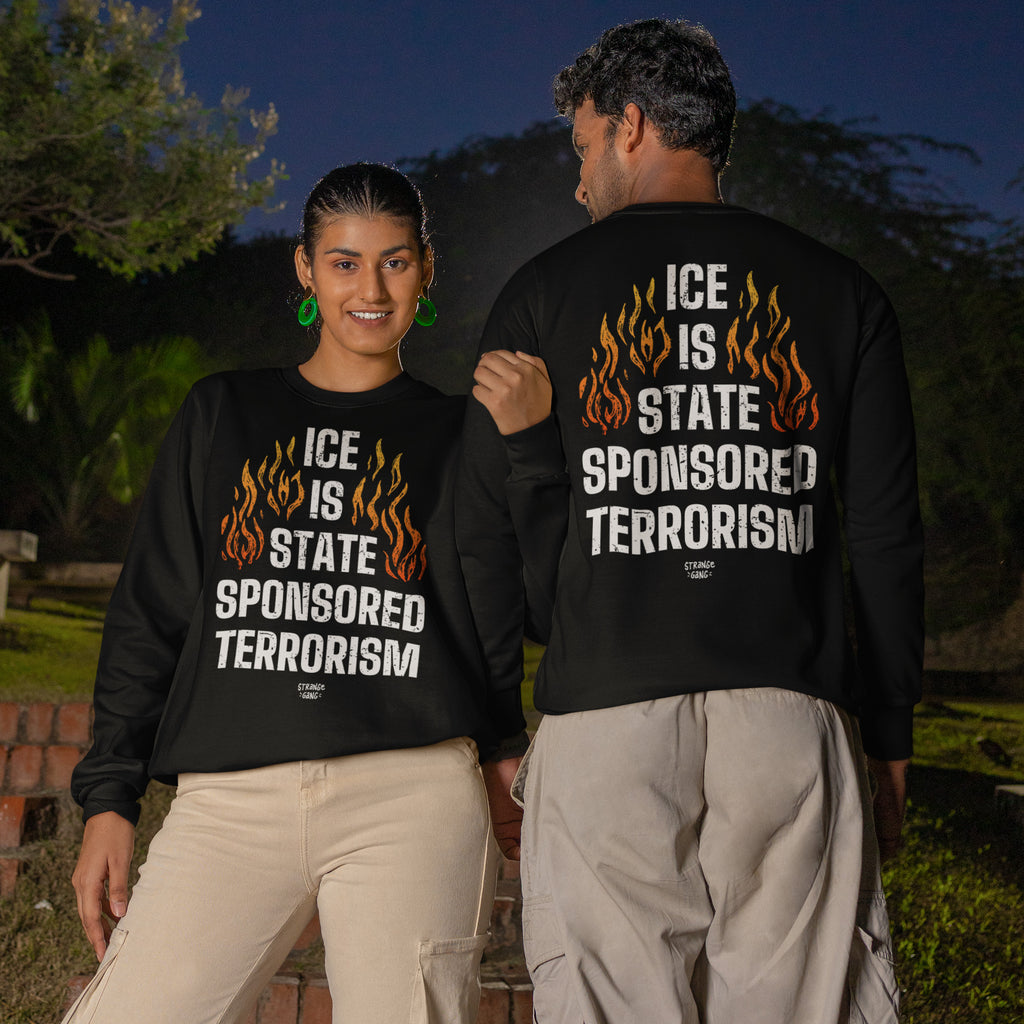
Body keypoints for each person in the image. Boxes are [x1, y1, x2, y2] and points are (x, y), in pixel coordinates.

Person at [459, 18, 923, 1024]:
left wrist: (497, 735)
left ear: (631, 126)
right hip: (788, 721)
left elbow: (483, 538)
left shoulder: (540, 294)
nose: (578, 181)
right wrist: (889, 732)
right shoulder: (844, 294)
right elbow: (885, 534)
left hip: (605, 723)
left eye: (583, 146)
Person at [63, 163, 529, 1024]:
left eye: (394, 261)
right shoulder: (221, 414)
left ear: (425, 269)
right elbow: (149, 613)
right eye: (345, 262)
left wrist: (503, 749)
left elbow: (490, 612)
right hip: (230, 801)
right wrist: (109, 799)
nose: (370, 289)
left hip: (414, 795)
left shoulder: (460, 433)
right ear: (306, 270)